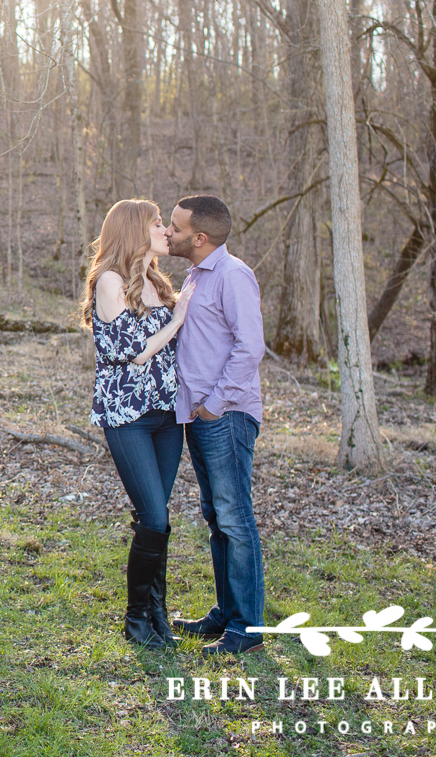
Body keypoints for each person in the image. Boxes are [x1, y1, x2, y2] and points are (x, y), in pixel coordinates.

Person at [82, 199, 196, 650]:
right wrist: (179, 317)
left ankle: (158, 616)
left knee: (159, 521)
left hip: (166, 417)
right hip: (127, 417)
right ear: (134, 230)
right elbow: (135, 351)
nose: (166, 231)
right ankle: (135, 621)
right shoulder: (109, 281)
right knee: (152, 516)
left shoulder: (155, 280)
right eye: (157, 224)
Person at [164, 194, 267, 654]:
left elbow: (250, 348)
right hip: (199, 415)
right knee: (216, 516)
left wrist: (214, 404)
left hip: (225, 415)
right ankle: (225, 614)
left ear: (200, 238)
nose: (168, 233)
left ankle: (247, 628)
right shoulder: (195, 277)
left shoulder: (232, 276)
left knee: (234, 517)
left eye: (175, 227)